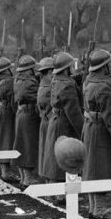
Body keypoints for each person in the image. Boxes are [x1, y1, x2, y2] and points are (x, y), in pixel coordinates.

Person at [82, 49, 111, 219]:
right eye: (109, 63)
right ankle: (100, 209)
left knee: (91, 168)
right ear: (104, 67)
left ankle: (94, 207)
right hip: (100, 131)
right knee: (99, 168)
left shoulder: (89, 81)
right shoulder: (103, 88)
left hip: (90, 128)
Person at [40, 52, 84, 183]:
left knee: (53, 157)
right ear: (66, 68)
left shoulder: (56, 80)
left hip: (56, 120)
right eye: (71, 66)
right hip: (64, 123)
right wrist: (82, 130)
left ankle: (52, 189)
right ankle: (59, 194)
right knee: (63, 156)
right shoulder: (68, 84)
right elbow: (73, 112)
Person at [13, 55, 40, 187]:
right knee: (28, 145)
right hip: (29, 114)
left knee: (21, 144)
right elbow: (37, 97)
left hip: (21, 113)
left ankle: (24, 176)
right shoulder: (30, 82)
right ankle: (28, 177)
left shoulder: (18, 80)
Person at [0, 57, 17, 181]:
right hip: (6, 112)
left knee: (0, 139)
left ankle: (4, 169)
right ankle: (6, 171)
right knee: (6, 139)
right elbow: (13, 101)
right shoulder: (9, 81)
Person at [36, 57, 54, 180]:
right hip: (49, 121)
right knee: (50, 155)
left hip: (45, 121)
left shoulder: (43, 86)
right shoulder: (48, 88)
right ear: (48, 72)